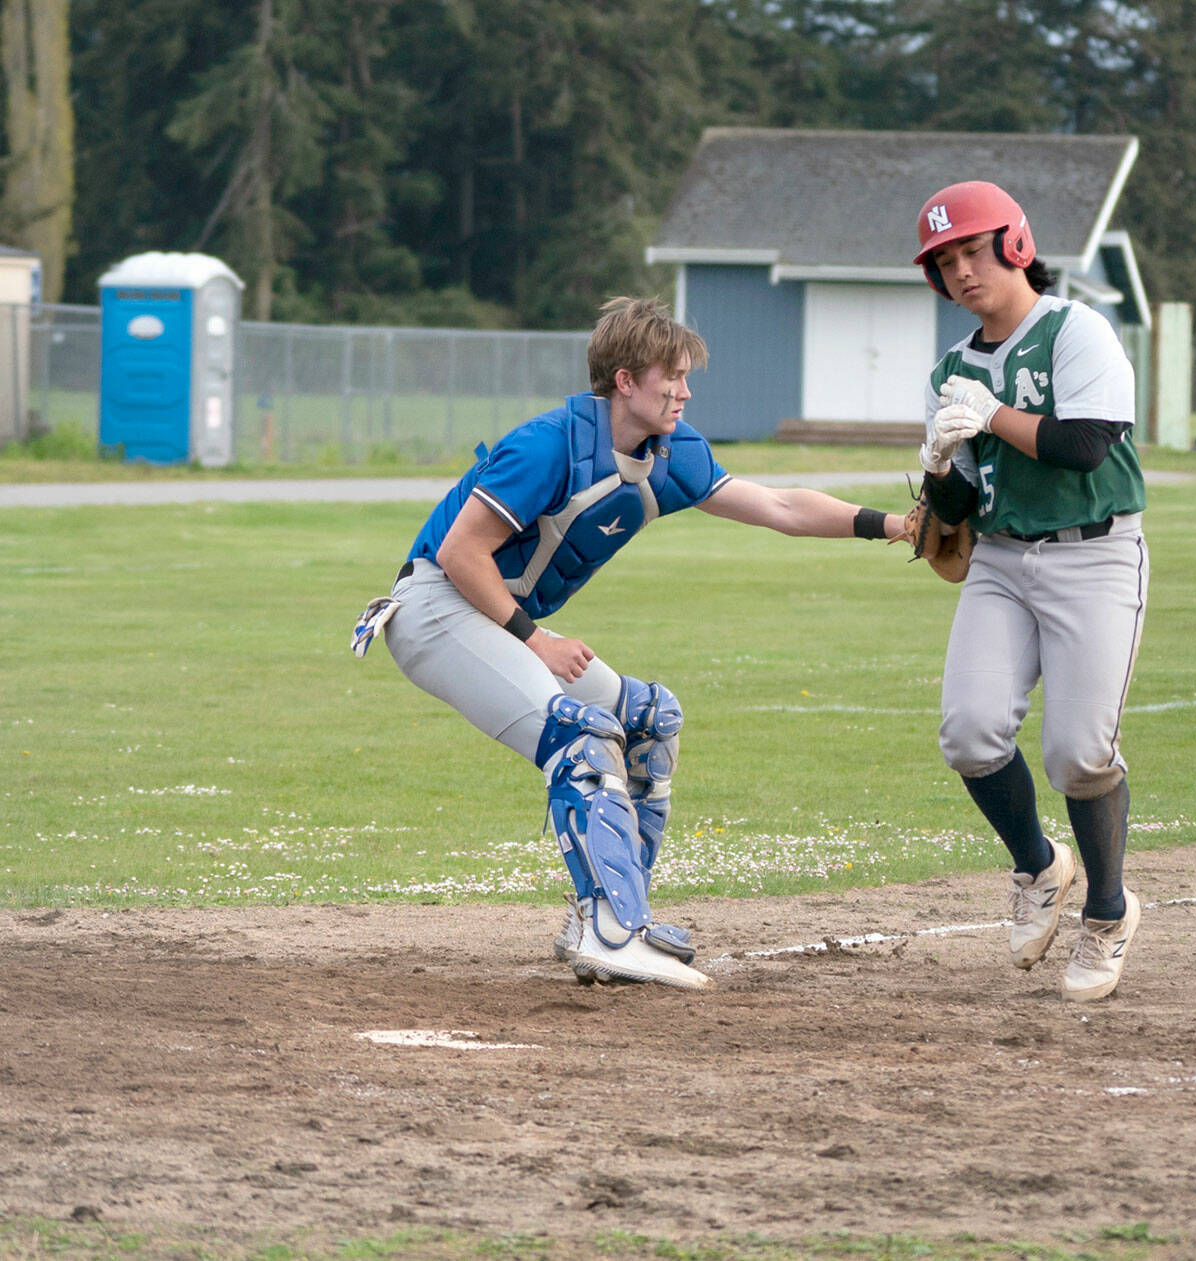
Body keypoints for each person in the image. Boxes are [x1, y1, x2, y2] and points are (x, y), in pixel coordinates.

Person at [351, 296, 907, 991]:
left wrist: (894, 524)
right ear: (624, 380)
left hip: (487, 614)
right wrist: (538, 642)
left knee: (650, 719)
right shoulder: (549, 443)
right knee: (580, 737)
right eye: (670, 376)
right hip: (434, 608)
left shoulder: (670, 455)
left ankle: (621, 920)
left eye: (685, 376)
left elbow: (780, 506)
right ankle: (610, 929)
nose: (685, 390)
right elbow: (463, 552)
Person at [909, 180, 1150, 1003]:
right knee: (971, 732)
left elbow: (1084, 445)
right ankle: (1040, 867)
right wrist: (940, 466)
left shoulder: (1076, 330)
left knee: (1079, 753)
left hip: (1096, 553)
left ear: (1016, 244)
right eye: (946, 262)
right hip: (1003, 560)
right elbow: (959, 509)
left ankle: (1110, 912)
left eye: (974, 250)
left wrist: (990, 412)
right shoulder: (950, 369)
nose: (962, 272)